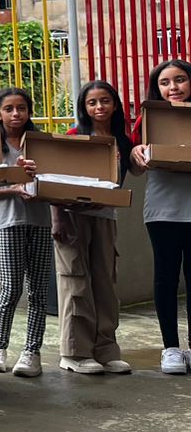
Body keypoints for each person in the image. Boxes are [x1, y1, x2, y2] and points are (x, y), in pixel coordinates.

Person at [55, 80, 137, 375]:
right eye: (92, 102)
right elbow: (56, 179)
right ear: (84, 108)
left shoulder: (122, 140)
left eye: (105, 101)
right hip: (72, 218)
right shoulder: (75, 136)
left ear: (114, 104)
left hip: (105, 217)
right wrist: (59, 218)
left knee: (104, 282)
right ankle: (74, 352)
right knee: (75, 282)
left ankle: (106, 350)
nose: (99, 107)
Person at [0, 87, 52, 378]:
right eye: (9, 109)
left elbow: (56, 179)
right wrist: (14, 187)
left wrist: (40, 185)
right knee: (11, 288)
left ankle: (31, 352)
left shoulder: (41, 144)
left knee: (38, 291)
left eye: (21, 108)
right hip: (8, 222)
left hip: (40, 222)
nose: (15, 114)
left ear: (29, 111)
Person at [130, 58, 191, 375]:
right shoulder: (148, 119)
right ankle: (170, 349)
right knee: (166, 277)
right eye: (165, 82)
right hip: (163, 209)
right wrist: (135, 153)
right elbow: (135, 164)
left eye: (180, 80)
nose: (173, 88)